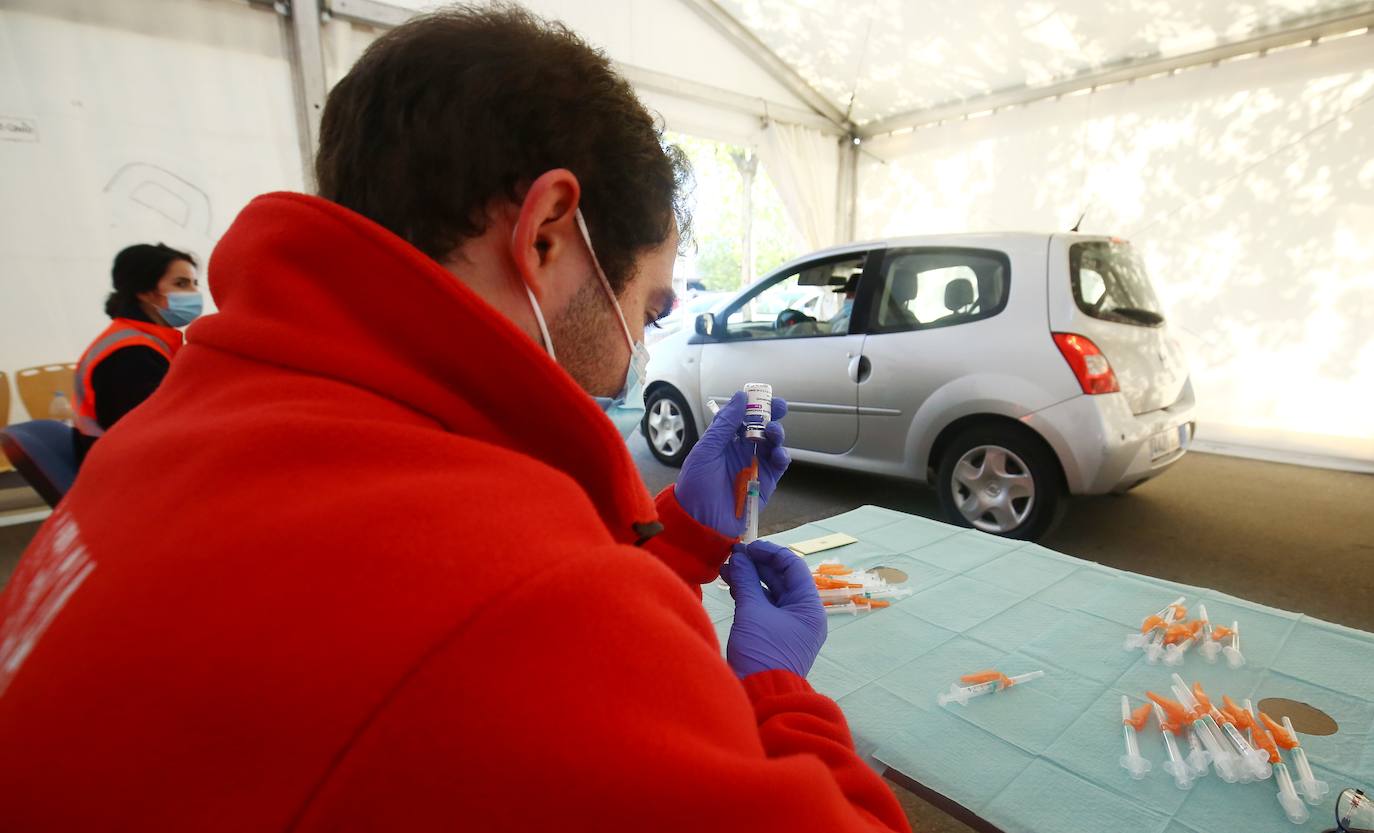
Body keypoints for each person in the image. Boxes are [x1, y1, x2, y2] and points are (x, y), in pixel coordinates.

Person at [0, 8, 909, 833]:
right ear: (548, 232)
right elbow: (502, 624)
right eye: (651, 301)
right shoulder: (514, 596)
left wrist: (680, 541)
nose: (648, 334)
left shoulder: (196, 419)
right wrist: (778, 691)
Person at [71, 243, 202, 464]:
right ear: (145, 292)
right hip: (119, 469)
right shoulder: (130, 352)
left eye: (194, 284)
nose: (194, 293)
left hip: (121, 459)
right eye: (181, 284)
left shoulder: (147, 340)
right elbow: (152, 431)